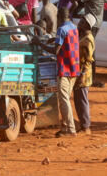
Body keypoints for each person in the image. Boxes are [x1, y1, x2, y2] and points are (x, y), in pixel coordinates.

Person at [33, 8, 80, 137]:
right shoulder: (73, 28)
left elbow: (56, 51)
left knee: (64, 100)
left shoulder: (61, 30)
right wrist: (54, 39)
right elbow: (67, 42)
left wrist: (40, 43)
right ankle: (65, 127)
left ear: (59, 17)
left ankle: (70, 129)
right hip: (74, 68)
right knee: (64, 99)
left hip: (64, 69)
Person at [74, 14, 95, 135]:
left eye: (82, 21)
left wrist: (81, 74)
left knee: (82, 100)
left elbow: (88, 59)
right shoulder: (84, 37)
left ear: (87, 24)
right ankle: (83, 125)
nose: (80, 22)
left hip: (83, 74)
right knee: (79, 100)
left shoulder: (88, 39)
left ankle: (86, 126)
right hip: (81, 72)